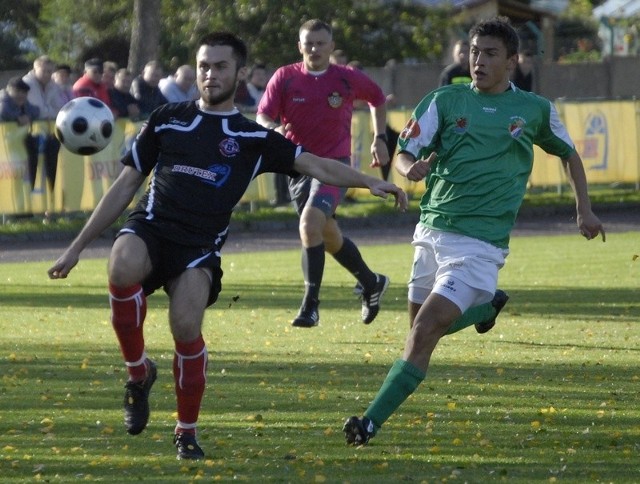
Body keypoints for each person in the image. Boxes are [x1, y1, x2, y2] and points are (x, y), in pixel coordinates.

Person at [47, 31, 407, 461]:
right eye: (203, 65)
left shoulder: (253, 139)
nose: (209, 74)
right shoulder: (166, 118)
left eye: (220, 66)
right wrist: (76, 248)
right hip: (151, 228)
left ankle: (186, 432)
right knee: (121, 265)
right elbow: (125, 185)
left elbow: (314, 163)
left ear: (238, 73)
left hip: (198, 249)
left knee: (185, 327)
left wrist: (369, 180)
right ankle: (138, 374)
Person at [343, 16, 605, 447]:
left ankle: (367, 423)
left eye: (489, 54)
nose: (478, 61)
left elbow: (569, 154)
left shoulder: (535, 109)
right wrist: (413, 169)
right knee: (417, 335)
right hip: (430, 232)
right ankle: (485, 310)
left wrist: (585, 210)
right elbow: (404, 156)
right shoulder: (443, 101)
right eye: (473, 51)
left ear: (512, 61)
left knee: (425, 330)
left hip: (480, 245)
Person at [257, 19, 391, 328]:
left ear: (331, 46)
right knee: (326, 234)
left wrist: (379, 137)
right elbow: (263, 114)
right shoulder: (285, 77)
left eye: (321, 43)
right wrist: (271, 128)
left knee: (309, 224)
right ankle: (371, 282)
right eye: (309, 43)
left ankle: (310, 306)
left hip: (335, 166)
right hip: (298, 166)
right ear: (299, 46)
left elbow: (378, 99)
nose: (315, 48)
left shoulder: (346, 78)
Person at [22, 55, 64, 191]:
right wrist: (48, 111)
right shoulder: (26, 85)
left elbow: (60, 110)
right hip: (28, 134)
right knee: (30, 168)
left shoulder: (54, 86)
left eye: (50, 71)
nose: (47, 74)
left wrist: (46, 111)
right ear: (35, 69)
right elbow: (36, 110)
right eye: (44, 70)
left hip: (49, 134)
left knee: (50, 168)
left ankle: (49, 203)